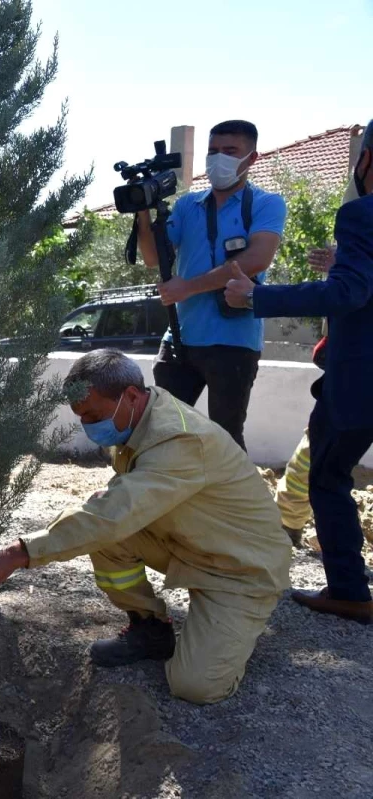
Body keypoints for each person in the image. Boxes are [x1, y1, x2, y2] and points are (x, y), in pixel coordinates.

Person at [0, 350, 290, 704]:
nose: (88, 426)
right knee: (100, 532)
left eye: (92, 414)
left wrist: (18, 553)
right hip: (190, 543)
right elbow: (114, 510)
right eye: (80, 416)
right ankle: (150, 628)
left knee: (195, 686)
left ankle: (234, 629)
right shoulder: (136, 420)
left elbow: (116, 512)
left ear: (131, 395)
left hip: (238, 568)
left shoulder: (178, 439)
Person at [224, 120, 373, 625]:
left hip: (359, 382)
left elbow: (349, 295)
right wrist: (347, 262)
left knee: (327, 479)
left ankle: (349, 590)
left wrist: (256, 296)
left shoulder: (362, 215)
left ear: (366, 160)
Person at [135, 120, 287, 451]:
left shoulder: (266, 203)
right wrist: (142, 212)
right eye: (213, 151)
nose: (219, 159)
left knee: (226, 440)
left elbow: (257, 258)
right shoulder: (189, 205)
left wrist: (187, 288)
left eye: (230, 151)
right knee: (163, 435)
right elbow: (151, 257)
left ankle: (236, 503)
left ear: (252, 157)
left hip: (234, 341)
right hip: (179, 338)